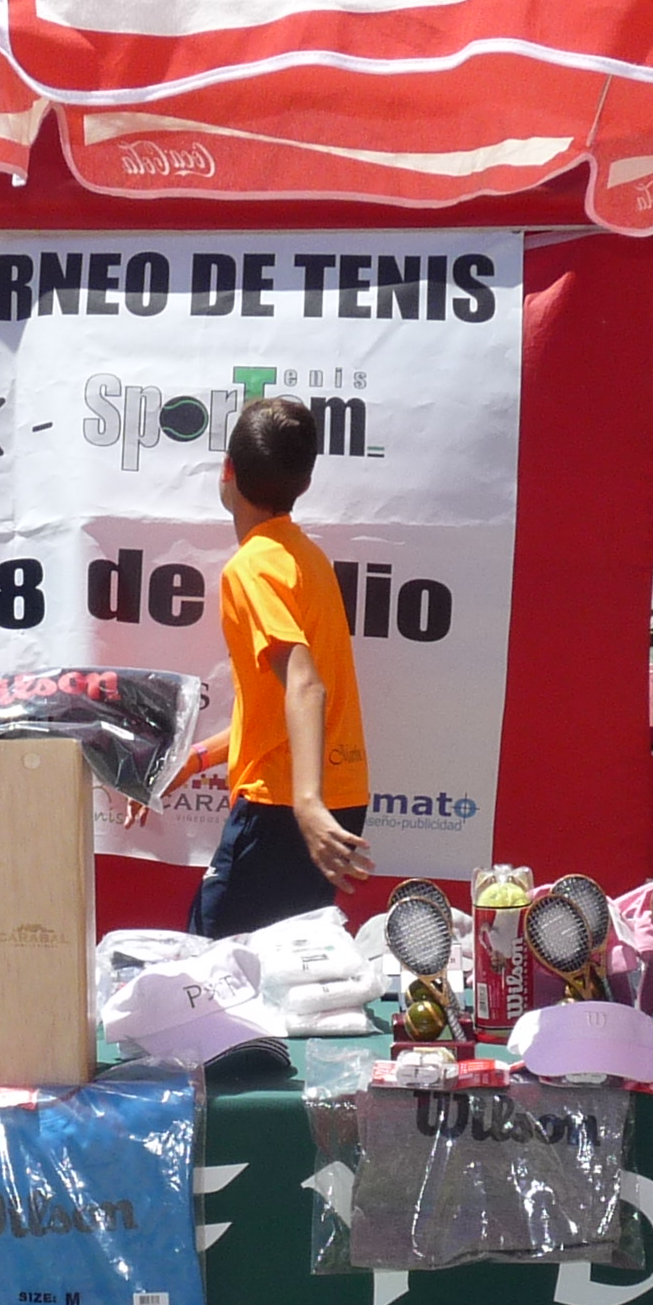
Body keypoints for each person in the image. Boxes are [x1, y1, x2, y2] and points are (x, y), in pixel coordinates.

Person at [164, 394, 375, 937]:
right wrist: (198, 759)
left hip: (286, 806)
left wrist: (306, 806)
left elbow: (305, 685)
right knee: (278, 970)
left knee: (211, 963)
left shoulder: (251, 568)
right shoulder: (308, 558)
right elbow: (278, 708)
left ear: (226, 470)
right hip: (333, 798)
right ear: (305, 482)